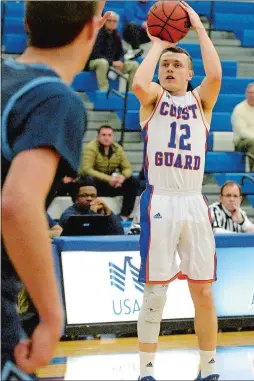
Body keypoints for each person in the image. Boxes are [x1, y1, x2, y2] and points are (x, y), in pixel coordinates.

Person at [1, 1, 109, 378]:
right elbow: (17, 204)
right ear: (92, 31)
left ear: (27, 22)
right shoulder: (53, 98)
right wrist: (51, 316)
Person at [132, 2, 222, 380]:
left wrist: (198, 29)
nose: (168, 69)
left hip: (193, 202)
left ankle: (209, 368)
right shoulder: (152, 98)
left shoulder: (202, 101)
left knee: (202, 292)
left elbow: (215, 73)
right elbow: (138, 82)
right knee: (155, 294)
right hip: (161, 200)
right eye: (165, 65)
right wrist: (158, 41)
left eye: (176, 65)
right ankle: (147, 371)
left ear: (188, 72)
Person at [81, 125, 138, 221]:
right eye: (103, 135)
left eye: (109, 135)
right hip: (95, 183)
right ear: (98, 137)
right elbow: (87, 169)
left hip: (111, 184)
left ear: (113, 137)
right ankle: (89, 214)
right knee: (88, 179)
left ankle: (124, 216)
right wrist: (109, 179)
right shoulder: (90, 148)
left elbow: (128, 168)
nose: (106, 138)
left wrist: (122, 177)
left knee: (132, 181)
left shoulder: (117, 149)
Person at [86, 11, 139, 91]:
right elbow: (94, 54)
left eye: (114, 21)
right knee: (102, 63)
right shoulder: (98, 34)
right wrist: (112, 62)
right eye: (109, 20)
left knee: (134, 65)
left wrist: (120, 62)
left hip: (111, 64)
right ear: (104, 21)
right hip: (94, 63)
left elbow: (121, 53)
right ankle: (104, 92)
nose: (112, 23)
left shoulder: (116, 35)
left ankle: (131, 93)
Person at [59, 177, 124, 235]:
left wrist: (107, 211)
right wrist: (92, 213)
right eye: (84, 195)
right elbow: (85, 234)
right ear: (76, 199)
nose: (89, 199)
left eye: (93, 196)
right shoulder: (68, 215)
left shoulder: (99, 211)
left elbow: (119, 232)